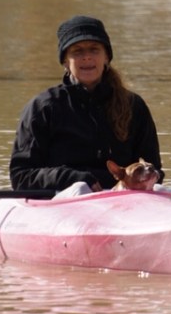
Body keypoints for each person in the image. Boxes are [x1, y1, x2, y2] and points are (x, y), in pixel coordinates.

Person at [9, 15, 163, 193]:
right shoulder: (42, 108)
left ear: (106, 57)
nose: (87, 57)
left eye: (94, 50)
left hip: (123, 200)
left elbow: (156, 171)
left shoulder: (134, 106)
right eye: (77, 51)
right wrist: (74, 178)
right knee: (80, 188)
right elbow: (21, 176)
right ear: (65, 61)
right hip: (62, 200)